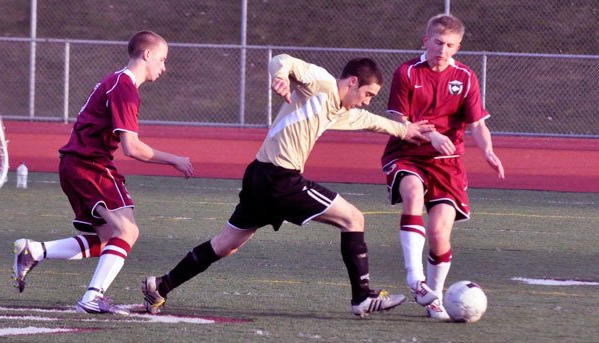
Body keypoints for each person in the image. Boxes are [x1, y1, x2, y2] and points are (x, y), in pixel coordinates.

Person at [141, 54, 435, 318]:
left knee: (225, 245)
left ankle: (161, 285)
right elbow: (281, 60)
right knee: (353, 219)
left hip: (259, 176)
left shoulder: (339, 109)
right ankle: (362, 297)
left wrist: (405, 130)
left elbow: (369, 120)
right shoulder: (321, 83)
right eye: (368, 93)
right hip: (280, 178)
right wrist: (280, 76)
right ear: (353, 82)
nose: (368, 100)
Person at [12, 30, 194, 315]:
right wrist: (174, 160)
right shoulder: (124, 86)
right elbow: (131, 147)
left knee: (110, 238)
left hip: (78, 164)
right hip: (89, 165)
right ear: (147, 55)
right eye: (162, 59)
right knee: (128, 231)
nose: (164, 67)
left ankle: (34, 251)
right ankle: (92, 298)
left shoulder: (116, 81)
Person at [381, 14, 505, 320]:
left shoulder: (466, 78)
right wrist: (433, 134)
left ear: (458, 46)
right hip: (408, 154)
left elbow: (477, 124)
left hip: (448, 166)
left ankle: (434, 297)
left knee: (439, 234)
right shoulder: (407, 73)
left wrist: (488, 150)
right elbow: (399, 120)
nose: (443, 49)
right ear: (426, 41)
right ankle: (415, 279)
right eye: (438, 42)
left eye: (450, 44)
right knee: (411, 191)